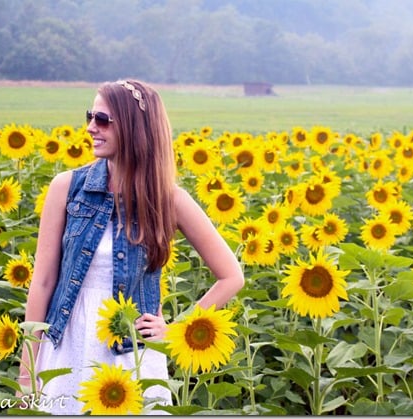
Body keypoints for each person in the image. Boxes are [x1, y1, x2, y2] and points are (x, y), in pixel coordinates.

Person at [16, 79, 244, 414]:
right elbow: (43, 282)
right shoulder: (66, 188)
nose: (92, 127)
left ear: (135, 128)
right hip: (67, 343)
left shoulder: (168, 200)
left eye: (103, 120)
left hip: (132, 352)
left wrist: (177, 329)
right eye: (90, 116)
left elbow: (231, 276)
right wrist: (27, 372)